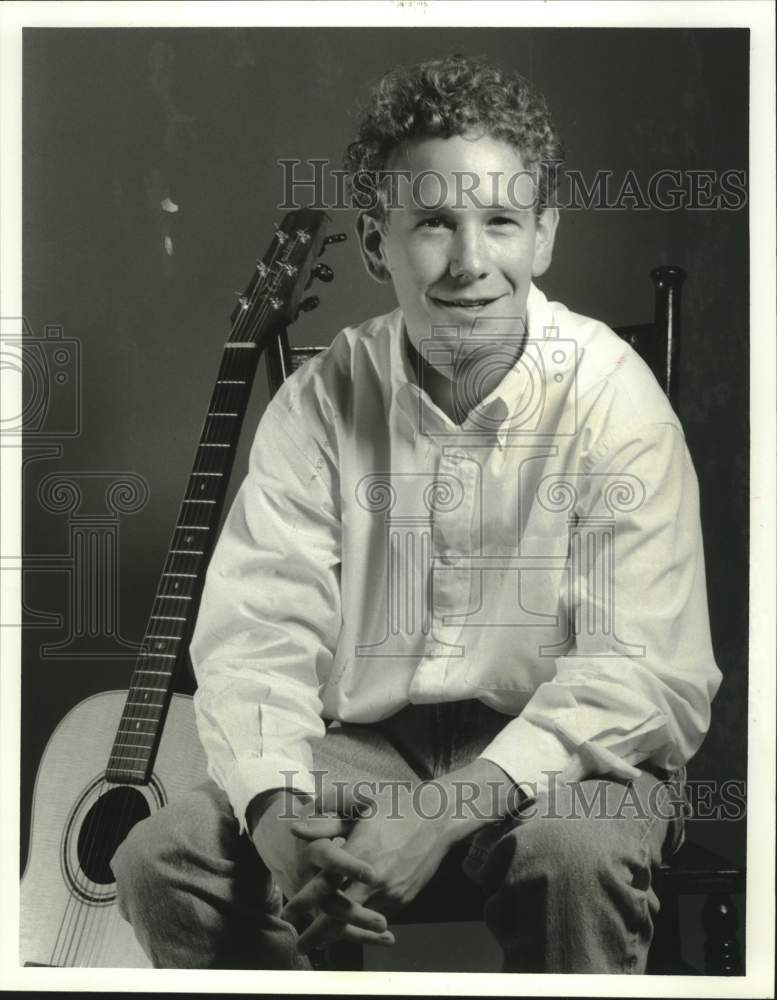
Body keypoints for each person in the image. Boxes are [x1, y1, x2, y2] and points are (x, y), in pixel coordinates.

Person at [112, 53, 721, 973]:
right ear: (373, 243)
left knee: (569, 854)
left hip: (569, 753)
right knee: (163, 861)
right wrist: (279, 816)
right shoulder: (320, 402)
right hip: (363, 746)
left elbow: (640, 680)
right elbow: (257, 637)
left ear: (543, 235)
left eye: (501, 222)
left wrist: (441, 812)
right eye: (432, 222)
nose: (471, 262)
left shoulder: (612, 398)